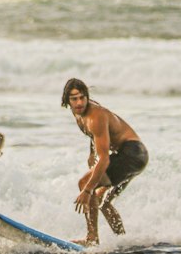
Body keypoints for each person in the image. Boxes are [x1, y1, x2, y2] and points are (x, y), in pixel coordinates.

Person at [61, 78, 148, 245]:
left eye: (82, 97)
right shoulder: (79, 112)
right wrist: (92, 152)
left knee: (85, 183)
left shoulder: (96, 116)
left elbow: (105, 158)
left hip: (131, 154)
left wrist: (87, 190)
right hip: (138, 156)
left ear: (87, 96)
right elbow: (97, 135)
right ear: (67, 100)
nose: (79, 102)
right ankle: (123, 240)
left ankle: (92, 238)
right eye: (74, 99)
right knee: (103, 202)